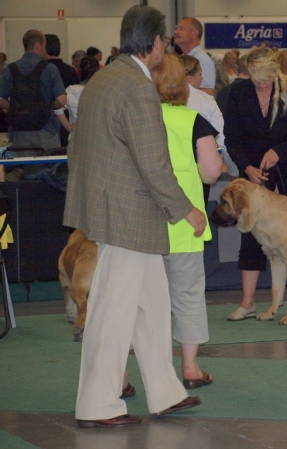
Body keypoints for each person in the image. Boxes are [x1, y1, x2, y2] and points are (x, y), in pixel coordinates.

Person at [64, 5, 203, 428]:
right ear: (157, 43)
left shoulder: (103, 79)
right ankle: (98, 404)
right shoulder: (138, 89)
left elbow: (78, 150)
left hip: (115, 210)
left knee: (153, 307)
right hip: (127, 214)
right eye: (167, 39)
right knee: (113, 310)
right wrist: (186, 210)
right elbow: (153, 162)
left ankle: (164, 390)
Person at [223, 46, 287, 321]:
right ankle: (247, 302)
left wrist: (280, 152)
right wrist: (247, 167)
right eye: (254, 77)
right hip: (253, 171)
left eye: (264, 77)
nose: (260, 82)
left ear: (276, 71)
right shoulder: (238, 94)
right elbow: (232, 137)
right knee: (250, 229)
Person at [151, 53, 222, 389]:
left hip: (143, 227)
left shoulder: (139, 119)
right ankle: (190, 368)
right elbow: (211, 173)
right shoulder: (195, 120)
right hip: (185, 226)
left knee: (139, 302)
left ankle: (122, 373)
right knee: (188, 296)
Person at [0, 29, 66, 150]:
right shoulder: (50, 68)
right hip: (46, 132)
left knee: (23, 166)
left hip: (19, 132)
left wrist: (15, 107)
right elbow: (61, 100)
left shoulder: (10, 69)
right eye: (44, 46)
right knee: (47, 167)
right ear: (37, 45)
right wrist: (48, 107)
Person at [180, 54, 238, 178]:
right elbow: (223, 138)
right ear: (189, 77)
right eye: (200, 74)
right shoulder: (206, 100)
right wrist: (233, 170)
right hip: (201, 166)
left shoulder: (161, 99)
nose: (202, 78)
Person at [55, 55, 99, 133]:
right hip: (96, 134)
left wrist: (68, 127)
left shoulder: (72, 90)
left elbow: (58, 108)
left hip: (76, 134)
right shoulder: (101, 91)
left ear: (80, 71)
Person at [174, 17, 216, 96]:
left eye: (181, 29)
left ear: (194, 33)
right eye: (176, 28)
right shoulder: (182, 59)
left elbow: (207, 93)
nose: (176, 32)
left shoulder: (202, 60)